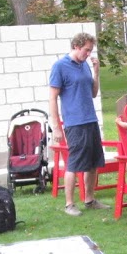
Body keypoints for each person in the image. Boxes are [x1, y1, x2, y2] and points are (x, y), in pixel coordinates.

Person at [49, 32, 108, 216]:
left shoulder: (85, 66)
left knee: (92, 162)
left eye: (90, 50)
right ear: (76, 46)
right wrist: (57, 126)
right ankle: (69, 204)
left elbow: (93, 93)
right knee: (74, 163)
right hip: (74, 123)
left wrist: (96, 72)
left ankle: (89, 200)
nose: (88, 54)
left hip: (90, 119)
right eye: (86, 50)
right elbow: (52, 98)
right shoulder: (60, 66)